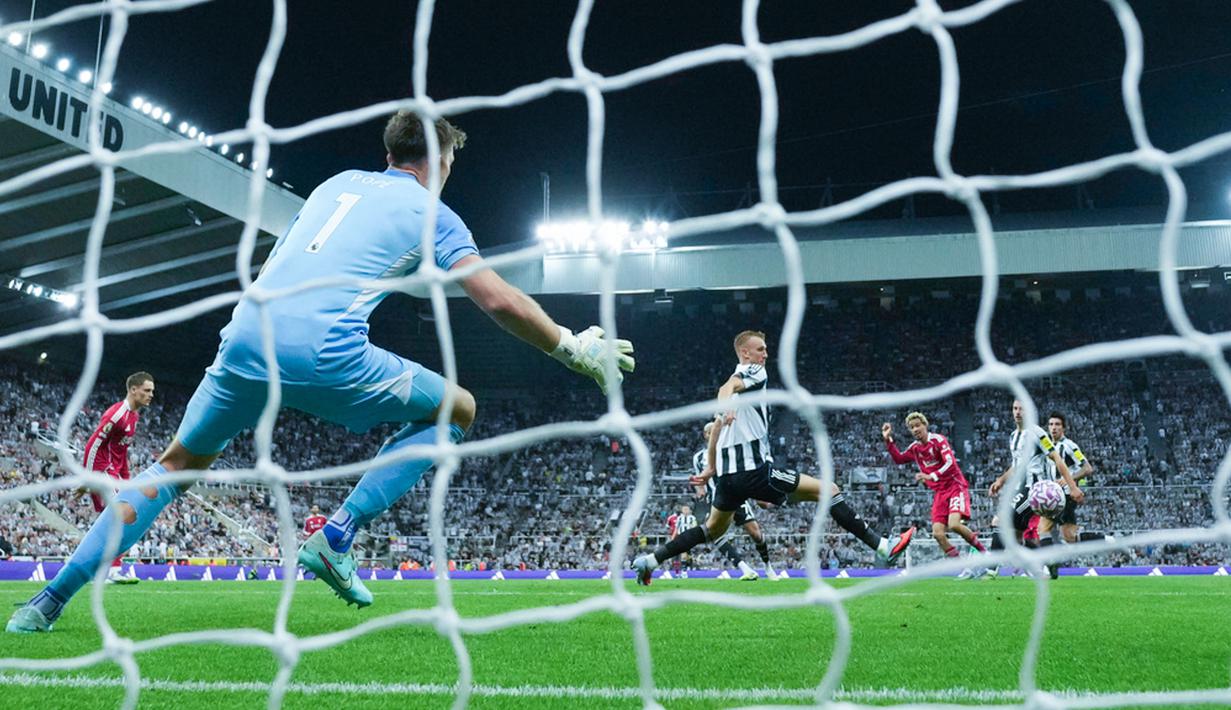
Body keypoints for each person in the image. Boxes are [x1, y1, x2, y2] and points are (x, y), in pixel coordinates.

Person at [8, 112, 634, 633]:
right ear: (439, 159)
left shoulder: (335, 184)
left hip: (246, 337)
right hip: (322, 349)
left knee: (172, 468)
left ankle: (46, 602)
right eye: (450, 162)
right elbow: (496, 299)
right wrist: (571, 347)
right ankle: (338, 535)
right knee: (458, 407)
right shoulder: (430, 210)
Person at [632, 331, 912, 585]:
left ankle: (650, 561)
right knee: (830, 490)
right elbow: (727, 392)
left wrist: (711, 467)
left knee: (713, 529)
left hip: (728, 479)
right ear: (745, 353)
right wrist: (727, 405)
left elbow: (718, 419)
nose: (766, 355)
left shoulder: (732, 383)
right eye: (760, 349)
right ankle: (882, 547)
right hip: (755, 471)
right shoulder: (755, 374)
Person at [882, 412, 988, 578]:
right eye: (912, 427)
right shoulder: (915, 448)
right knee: (938, 533)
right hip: (940, 492)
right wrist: (888, 440)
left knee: (953, 525)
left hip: (955, 486)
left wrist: (932, 476)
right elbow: (899, 458)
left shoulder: (938, 440)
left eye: (918, 425)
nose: (915, 429)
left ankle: (984, 553)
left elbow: (950, 463)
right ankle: (964, 566)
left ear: (925, 425)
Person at [987, 400, 1082, 577]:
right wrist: (1001, 480)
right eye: (1015, 408)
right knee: (1017, 536)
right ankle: (1046, 562)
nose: (1018, 412)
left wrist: (1072, 486)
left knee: (1001, 520)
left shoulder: (1037, 433)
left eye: (1022, 409)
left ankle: (991, 569)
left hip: (1035, 489)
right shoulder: (1013, 436)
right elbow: (1016, 466)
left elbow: (1057, 459)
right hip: (1020, 488)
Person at [83, 372, 156, 585]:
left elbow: (121, 451)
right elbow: (93, 444)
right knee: (121, 518)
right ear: (133, 389)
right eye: (147, 390)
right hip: (100, 471)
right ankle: (112, 571)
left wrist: (126, 478)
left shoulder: (134, 417)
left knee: (109, 523)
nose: (151, 395)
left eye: (152, 391)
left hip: (114, 473)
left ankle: (102, 570)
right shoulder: (116, 414)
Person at [693, 422, 773, 581]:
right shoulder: (698, 458)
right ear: (705, 435)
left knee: (755, 533)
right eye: (709, 432)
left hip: (736, 495)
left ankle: (768, 566)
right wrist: (699, 489)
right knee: (715, 535)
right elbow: (700, 482)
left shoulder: (729, 450)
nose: (712, 435)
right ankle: (745, 568)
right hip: (716, 500)